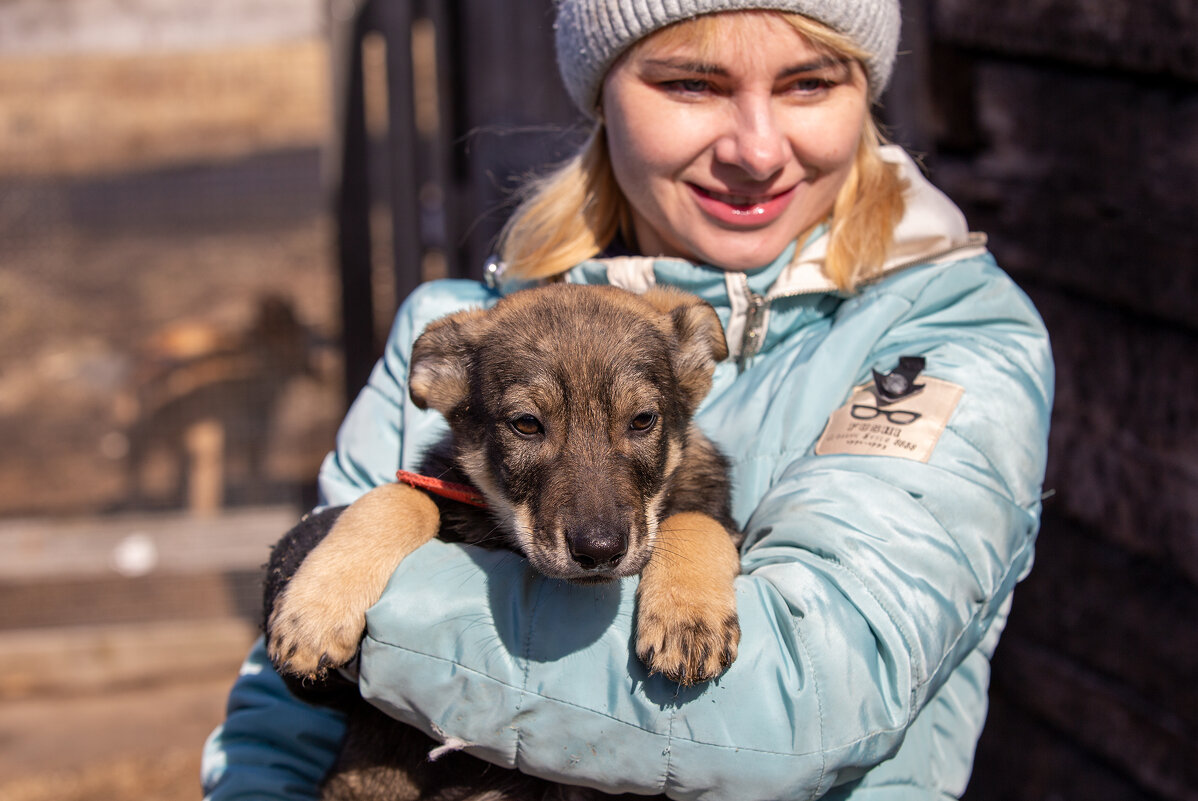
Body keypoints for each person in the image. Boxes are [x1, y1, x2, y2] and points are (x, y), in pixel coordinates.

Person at [202, 1, 1053, 799]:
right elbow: (285, 715)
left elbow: (805, 708)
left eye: (809, 82)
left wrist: (375, 620)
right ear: (602, 92)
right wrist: (374, 536)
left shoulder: (947, 342)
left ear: (867, 94)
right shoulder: (457, 332)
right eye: (692, 83)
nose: (756, 150)